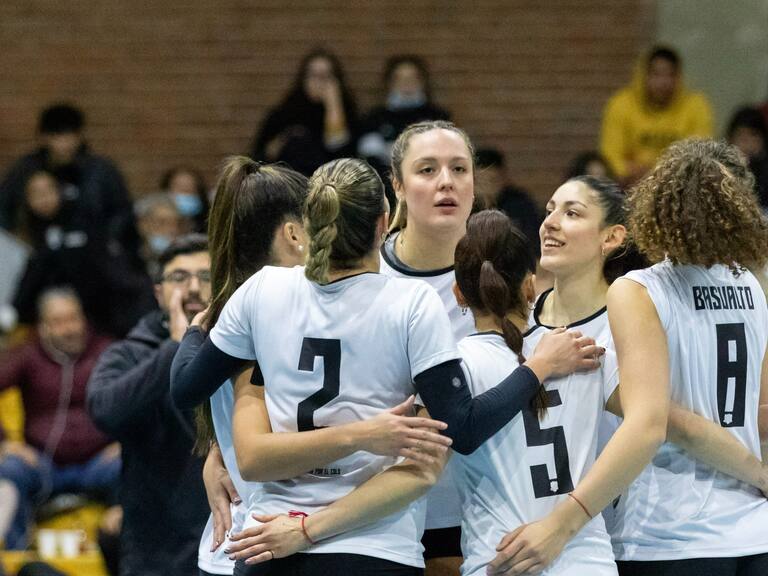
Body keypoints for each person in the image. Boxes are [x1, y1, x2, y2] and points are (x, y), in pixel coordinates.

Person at [171, 157, 601, 576]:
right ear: (384, 222)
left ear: (311, 223)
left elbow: (185, 390)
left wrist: (194, 331)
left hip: (269, 539)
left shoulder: (263, 288)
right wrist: (536, 367)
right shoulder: (411, 302)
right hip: (373, 544)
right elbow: (462, 429)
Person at [608, 139, 768, 575]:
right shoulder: (751, 288)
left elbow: (665, 422)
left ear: (660, 204)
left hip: (671, 533)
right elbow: (759, 412)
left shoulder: (640, 290)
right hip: (755, 528)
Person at [86, 234, 212, 576]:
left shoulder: (246, 350)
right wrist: (175, 347)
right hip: (156, 552)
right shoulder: (130, 354)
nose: (193, 288)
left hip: (233, 543)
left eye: (206, 276)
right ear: (159, 292)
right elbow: (105, 411)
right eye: (179, 277)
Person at [0, 287, 118, 549]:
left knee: (134, 465)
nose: (69, 328)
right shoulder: (27, 353)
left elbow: (143, 397)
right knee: (8, 470)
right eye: (58, 322)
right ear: (43, 327)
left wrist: (128, 441)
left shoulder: (107, 351)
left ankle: (125, 553)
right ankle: (13, 557)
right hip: (42, 464)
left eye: (73, 318)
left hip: (99, 462)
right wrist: (5, 443)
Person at [0, 103, 140, 259]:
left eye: (69, 136)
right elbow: (5, 208)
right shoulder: (25, 170)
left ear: (79, 136)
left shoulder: (100, 170)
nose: (64, 144)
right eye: (57, 136)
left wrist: (104, 240)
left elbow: (121, 211)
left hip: (94, 253)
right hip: (36, 250)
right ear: (44, 138)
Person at [599, 46, 713, 184]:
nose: (663, 82)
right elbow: (610, 156)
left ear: (679, 78)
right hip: (629, 188)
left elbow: (701, 154)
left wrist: (655, 172)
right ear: (643, 76)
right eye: (656, 74)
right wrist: (629, 172)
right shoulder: (621, 104)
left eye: (670, 75)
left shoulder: (696, 105)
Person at [357, 55, 450, 205]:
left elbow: (444, 154)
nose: (406, 83)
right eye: (400, 78)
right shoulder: (374, 118)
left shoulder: (437, 116)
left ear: (422, 82)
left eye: (412, 78)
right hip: (386, 192)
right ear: (389, 83)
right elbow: (370, 158)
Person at [251, 50, 358, 176]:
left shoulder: (348, 114)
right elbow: (259, 157)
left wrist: (333, 105)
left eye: (325, 76)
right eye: (314, 75)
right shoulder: (283, 114)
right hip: (288, 182)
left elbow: (341, 152)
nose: (319, 82)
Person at [474, 147, 542, 255]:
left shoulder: (520, 204)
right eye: (481, 182)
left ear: (504, 178)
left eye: (492, 181)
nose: (487, 188)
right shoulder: (462, 206)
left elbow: (533, 244)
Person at [133, 192, 184, 279]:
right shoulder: (128, 258)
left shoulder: (183, 258)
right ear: (143, 224)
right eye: (162, 222)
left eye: (175, 224)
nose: (172, 229)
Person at [726, 106, 768, 209]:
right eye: (740, 135)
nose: (746, 142)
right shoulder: (718, 168)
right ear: (730, 139)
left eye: (752, 135)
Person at [159, 166, 210, 234]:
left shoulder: (209, 220)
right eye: (180, 187)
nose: (185, 192)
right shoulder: (154, 220)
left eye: (191, 188)